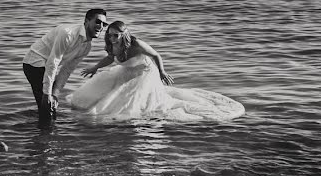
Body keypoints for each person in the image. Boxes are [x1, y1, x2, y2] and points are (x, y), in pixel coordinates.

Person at [67, 21, 245, 121]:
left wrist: (162, 72)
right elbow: (110, 58)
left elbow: (156, 55)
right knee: (100, 95)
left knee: (129, 102)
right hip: (125, 71)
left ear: (123, 35)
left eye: (116, 35)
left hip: (144, 72)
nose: (111, 38)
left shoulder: (136, 44)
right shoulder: (111, 44)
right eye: (110, 34)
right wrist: (94, 68)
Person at [22, 9, 108, 127]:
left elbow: (66, 71)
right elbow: (53, 62)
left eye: (104, 24)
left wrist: (55, 94)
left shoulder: (86, 47)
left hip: (48, 67)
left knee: (50, 106)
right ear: (86, 21)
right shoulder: (68, 34)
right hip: (34, 63)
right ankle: (45, 138)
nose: (101, 26)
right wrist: (47, 94)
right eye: (98, 22)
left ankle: (44, 134)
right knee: (47, 107)